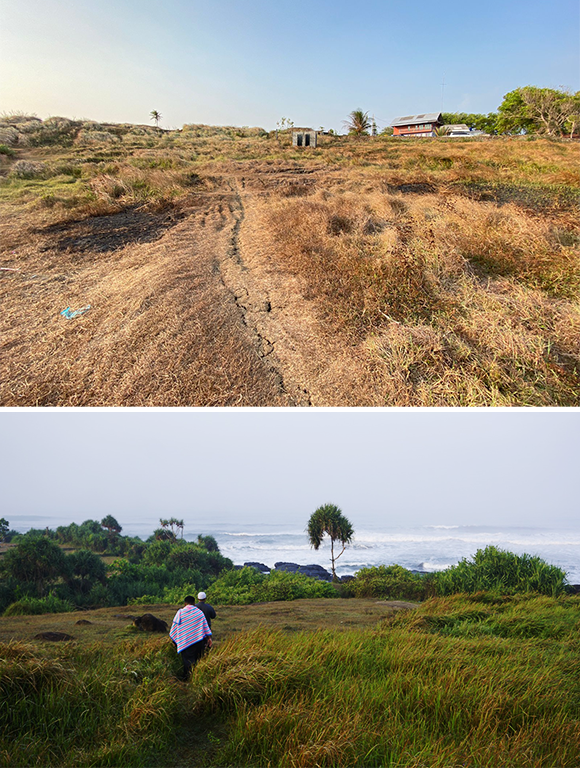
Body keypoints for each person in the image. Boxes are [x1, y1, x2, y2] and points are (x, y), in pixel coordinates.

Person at [169, 595, 212, 680]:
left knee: (187, 660)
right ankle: (196, 677)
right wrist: (209, 638)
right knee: (197, 659)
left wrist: (174, 641)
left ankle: (187, 678)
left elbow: (175, 627)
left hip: (185, 641)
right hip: (199, 640)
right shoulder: (199, 612)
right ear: (194, 603)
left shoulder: (180, 613)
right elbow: (205, 627)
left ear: (185, 603)